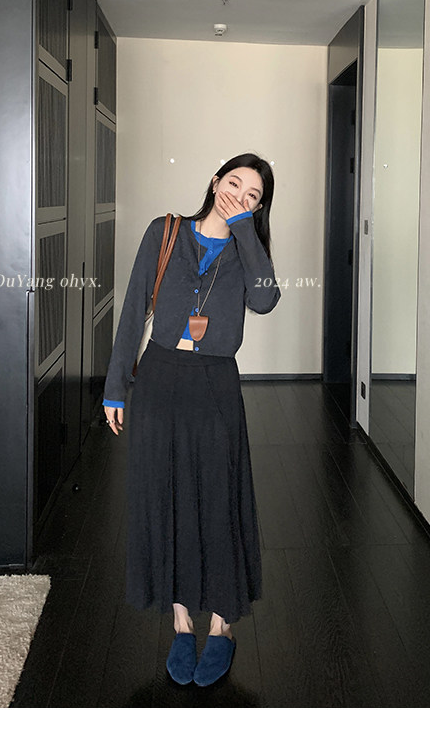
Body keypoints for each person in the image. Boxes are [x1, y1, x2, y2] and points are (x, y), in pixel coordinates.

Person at [102, 152, 280, 687]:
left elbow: (266, 301)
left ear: (258, 208)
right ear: (214, 181)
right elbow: (134, 308)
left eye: (253, 196)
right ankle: (182, 622)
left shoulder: (248, 251)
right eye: (234, 184)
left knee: (218, 497)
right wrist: (115, 387)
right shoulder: (166, 232)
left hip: (215, 383)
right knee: (168, 495)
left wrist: (244, 229)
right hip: (159, 377)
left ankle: (222, 626)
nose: (239, 196)